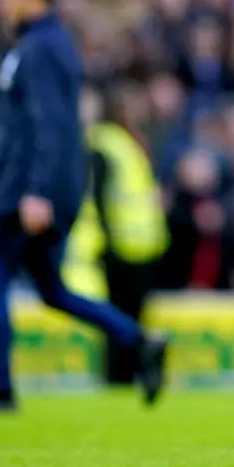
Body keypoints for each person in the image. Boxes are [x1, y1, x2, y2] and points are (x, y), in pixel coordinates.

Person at [0, 0, 168, 413]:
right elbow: (22, 129)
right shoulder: (40, 45)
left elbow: (50, 127)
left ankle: (1, 390)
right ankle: (140, 338)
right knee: (51, 289)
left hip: (28, 192)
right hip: (24, 185)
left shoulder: (41, 49)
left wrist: (37, 192)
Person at [64, 83, 170, 385]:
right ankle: (119, 377)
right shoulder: (106, 144)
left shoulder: (125, 143)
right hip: (121, 247)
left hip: (139, 246)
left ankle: (129, 374)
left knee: (130, 316)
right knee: (120, 318)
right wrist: (106, 241)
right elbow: (98, 197)